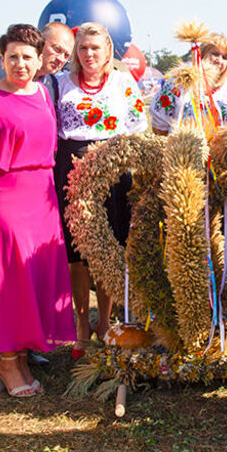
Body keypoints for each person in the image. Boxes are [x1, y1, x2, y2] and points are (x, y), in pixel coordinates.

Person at [0, 24, 76, 396]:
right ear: (2, 59)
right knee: (11, 279)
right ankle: (7, 362)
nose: (20, 63)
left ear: (38, 58)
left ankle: (24, 355)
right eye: (12, 56)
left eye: (27, 56)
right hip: (6, 193)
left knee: (35, 275)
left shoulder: (45, 94)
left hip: (42, 196)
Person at [54, 22, 148, 357]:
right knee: (78, 252)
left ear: (108, 51)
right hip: (72, 169)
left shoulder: (123, 83)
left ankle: (104, 319)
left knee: (108, 248)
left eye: (96, 48)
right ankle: (82, 322)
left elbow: (138, 128)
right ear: (76, 52)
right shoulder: (61, 83)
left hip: (113, 170)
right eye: (83, 48)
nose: (89, 54)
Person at [150, 32, 227, 134]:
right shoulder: (180, 81)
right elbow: (159, 124)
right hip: (183, 147)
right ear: (202, 54)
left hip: (222, 148)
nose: (219, 60)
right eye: (215, 54)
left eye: (225, 57)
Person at [0, 21, 75, 97]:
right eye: (57, 49)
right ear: (41, 42)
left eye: (66, 56)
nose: (61, 59)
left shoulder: (52, 85)